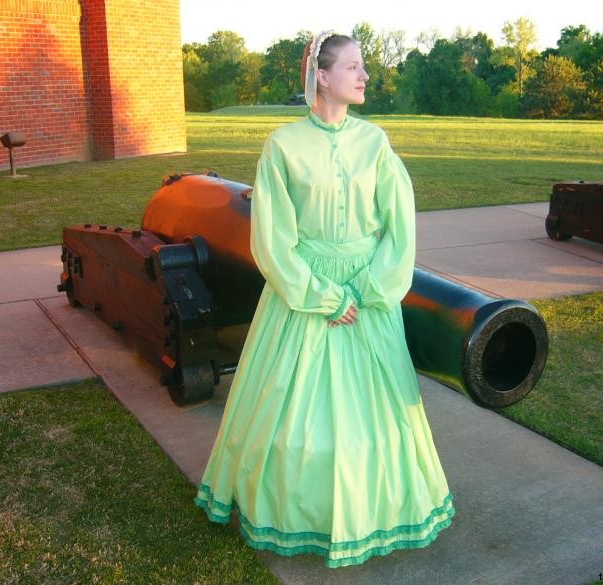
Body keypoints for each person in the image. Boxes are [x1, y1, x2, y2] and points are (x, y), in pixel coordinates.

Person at [193, 29, 455, 569]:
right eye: (354, 67)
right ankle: (298, 514)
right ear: (322, 76)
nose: (364, 76)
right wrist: (320, 295)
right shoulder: (283, 146)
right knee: (289, 414)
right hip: (302, 297)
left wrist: (370, 288)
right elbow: (272, 237)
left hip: (367, 297)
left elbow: (398, 225)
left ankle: (374, 509)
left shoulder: (374, 142)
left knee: (377, 420)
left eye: (363, 67)